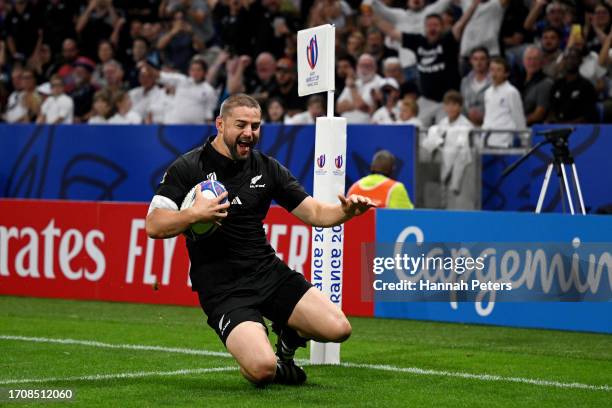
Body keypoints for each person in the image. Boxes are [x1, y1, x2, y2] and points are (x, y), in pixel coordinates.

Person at [145, 94, 375, 386]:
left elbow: (315, 212)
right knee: (262, 369)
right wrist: (193, 214)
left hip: (268, 273)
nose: (249, 133)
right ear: (220, 124)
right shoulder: (189, 167)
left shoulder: (267, 168)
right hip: (223, 289)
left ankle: (288, 335)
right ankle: (278, 365)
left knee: (338, 329)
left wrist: (345, 212)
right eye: (240, 125)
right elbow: (153, 225)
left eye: (255, 126)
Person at [377, 0, 481, 126]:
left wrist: (474, 5)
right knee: (414, 127)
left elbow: (462, 22)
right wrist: (372, 16)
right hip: (426, 99)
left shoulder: (448, 40)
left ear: (442, 27)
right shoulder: (418, 41)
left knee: (445, 132)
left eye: (436, 25)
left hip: (447, 102)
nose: (432, 28)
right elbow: (392, 31)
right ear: (424, 27)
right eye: (429, 25)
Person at [141, 56, 218, 124]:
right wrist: (147, 66)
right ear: (189, 71)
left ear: (204, 72)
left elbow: (208, 113)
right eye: (193, 70)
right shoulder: (181, 80)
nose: (195, 73)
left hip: (196, 129)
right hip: (176, 125)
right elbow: (160, 75)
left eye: (198, 70)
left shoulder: (209, 90)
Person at [482, 56, 526, 147]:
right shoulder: (487, 92)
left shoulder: (511, 92)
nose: (494, 73)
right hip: (487, 140)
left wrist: (524, 140)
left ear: (506, 74)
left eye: (498, 70)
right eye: (492, 70)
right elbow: (488, 116)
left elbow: (518, 117)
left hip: (504, 141)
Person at [346, 150, 413, 209]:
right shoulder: (396, 187)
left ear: (372, 167)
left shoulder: (354, 188)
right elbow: (409, 216)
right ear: (393, 169)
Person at [518, 46, 553, 126]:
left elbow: (539, 114)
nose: (532, 62)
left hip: (532, 128)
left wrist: (519, 122)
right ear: (523, 61)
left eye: (536, 59)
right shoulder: (518, 81)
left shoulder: (545, 83)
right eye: (529, 59)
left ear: (542, 62)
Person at [460, 46, 491, 126]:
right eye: (475, 59)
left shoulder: (493, 82)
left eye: (482, 59)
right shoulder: (465, 82)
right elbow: (462, 105)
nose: (479, 62)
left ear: (488, 60)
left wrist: (483, 116)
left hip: (489, 124)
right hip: (467, 125)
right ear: (471, 61)